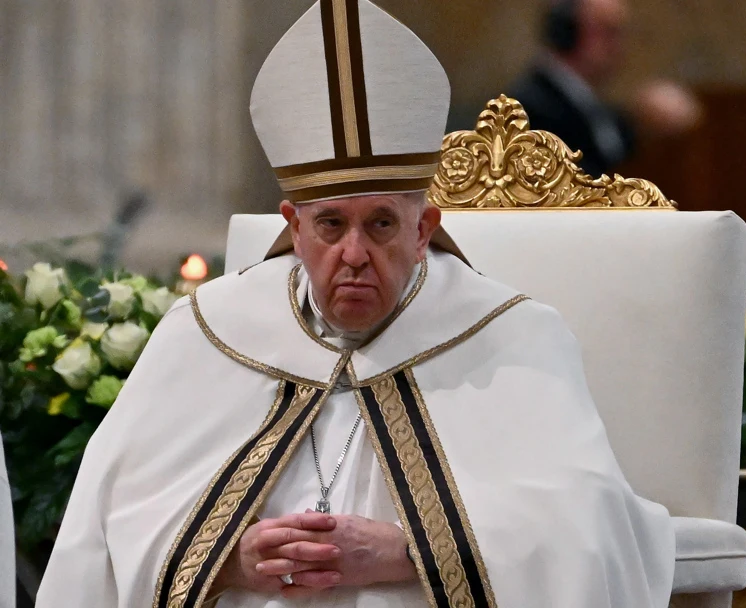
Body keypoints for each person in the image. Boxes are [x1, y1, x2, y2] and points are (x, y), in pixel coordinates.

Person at [36, 1, 675, 607]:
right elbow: (107, 524)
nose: (354, 254)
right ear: (292, 223)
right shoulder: (205, 331)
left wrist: (409, 551)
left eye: (381, 226)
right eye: (331, 225)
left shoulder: (514, 338)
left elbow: (589, 530)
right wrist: (231, 558)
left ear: (424, 229)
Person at [508, 0, 702, 177]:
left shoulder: (587, 103)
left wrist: (642, 122)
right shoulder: (530, 107)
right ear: (567, 33)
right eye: (609, 31)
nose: (619, 47)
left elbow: (611, 153)